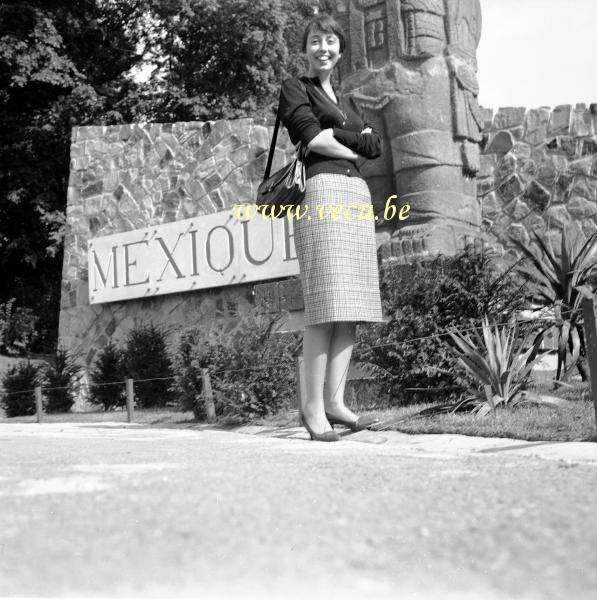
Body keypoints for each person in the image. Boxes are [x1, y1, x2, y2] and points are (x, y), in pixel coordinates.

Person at [278, 14, 384, 442]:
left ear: (341, 49)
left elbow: (374, 147)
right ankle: (311, 409)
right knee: (324, 302)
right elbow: (312, 139)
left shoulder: (350, 101)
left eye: (331, 41)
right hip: (320, 192)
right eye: (315, 41)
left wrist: (335, 130)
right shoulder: (294, 88)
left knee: (351, 305)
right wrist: (349, 137)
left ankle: (337, 404)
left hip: (356, 195)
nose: (324, 47)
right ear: (306, 49)